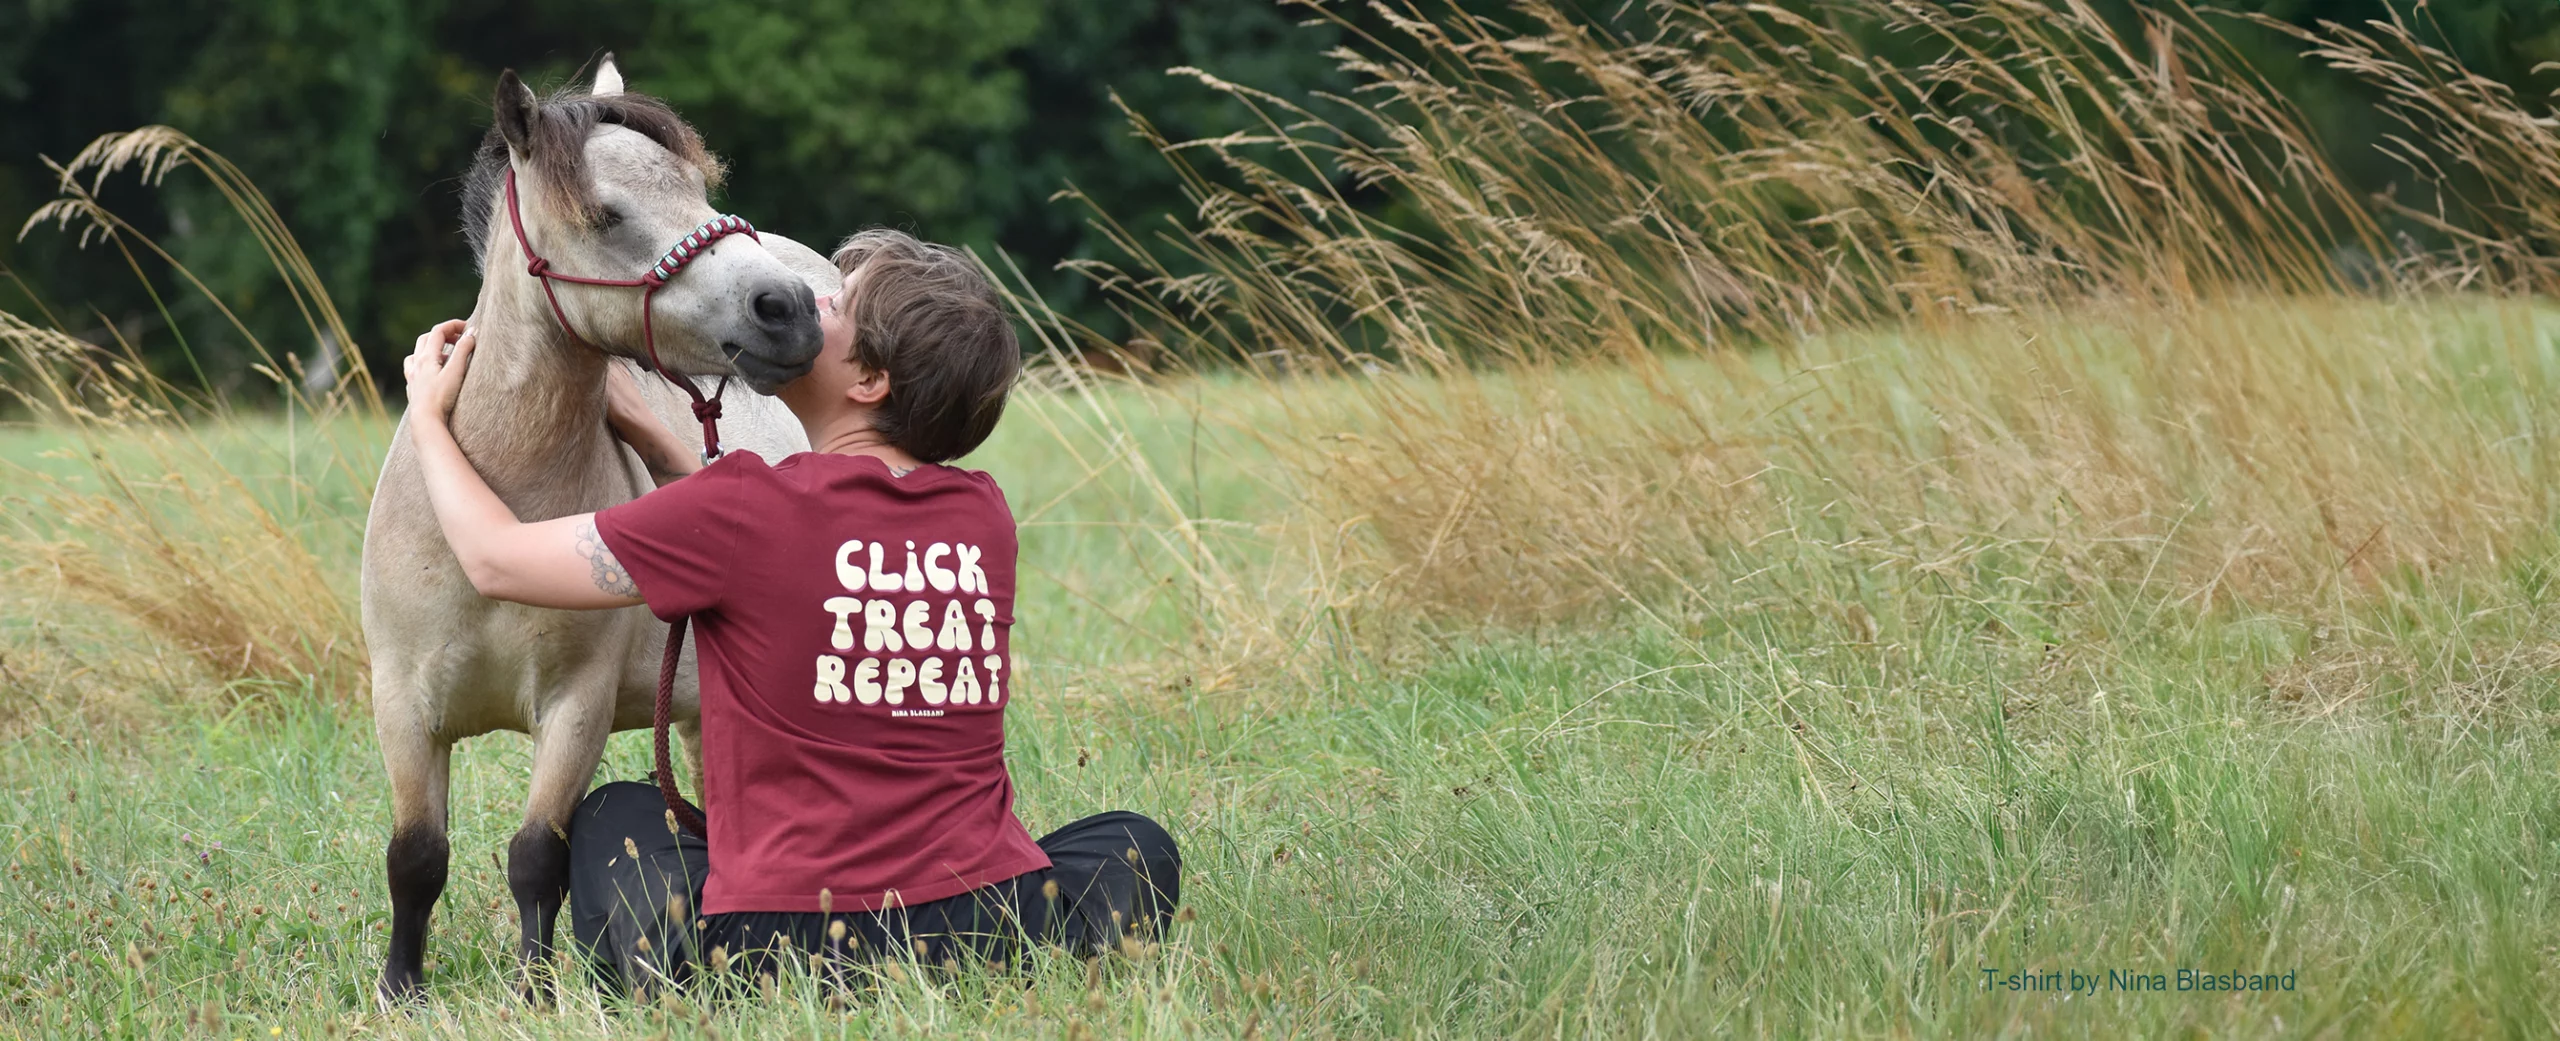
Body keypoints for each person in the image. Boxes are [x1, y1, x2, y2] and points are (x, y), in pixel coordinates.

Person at [399, 229, 1179, 993]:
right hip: (981, 915)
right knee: (1136, 843)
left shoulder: (739, 507)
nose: (810, 302)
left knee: (612, 815)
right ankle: (984, 960)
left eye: (835, 305)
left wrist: (430, 417)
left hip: (775, 940)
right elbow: (781, 545)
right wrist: (655, 441)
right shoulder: (985, 515)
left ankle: (710, 976)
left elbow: (495, 558)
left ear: (869, 380)